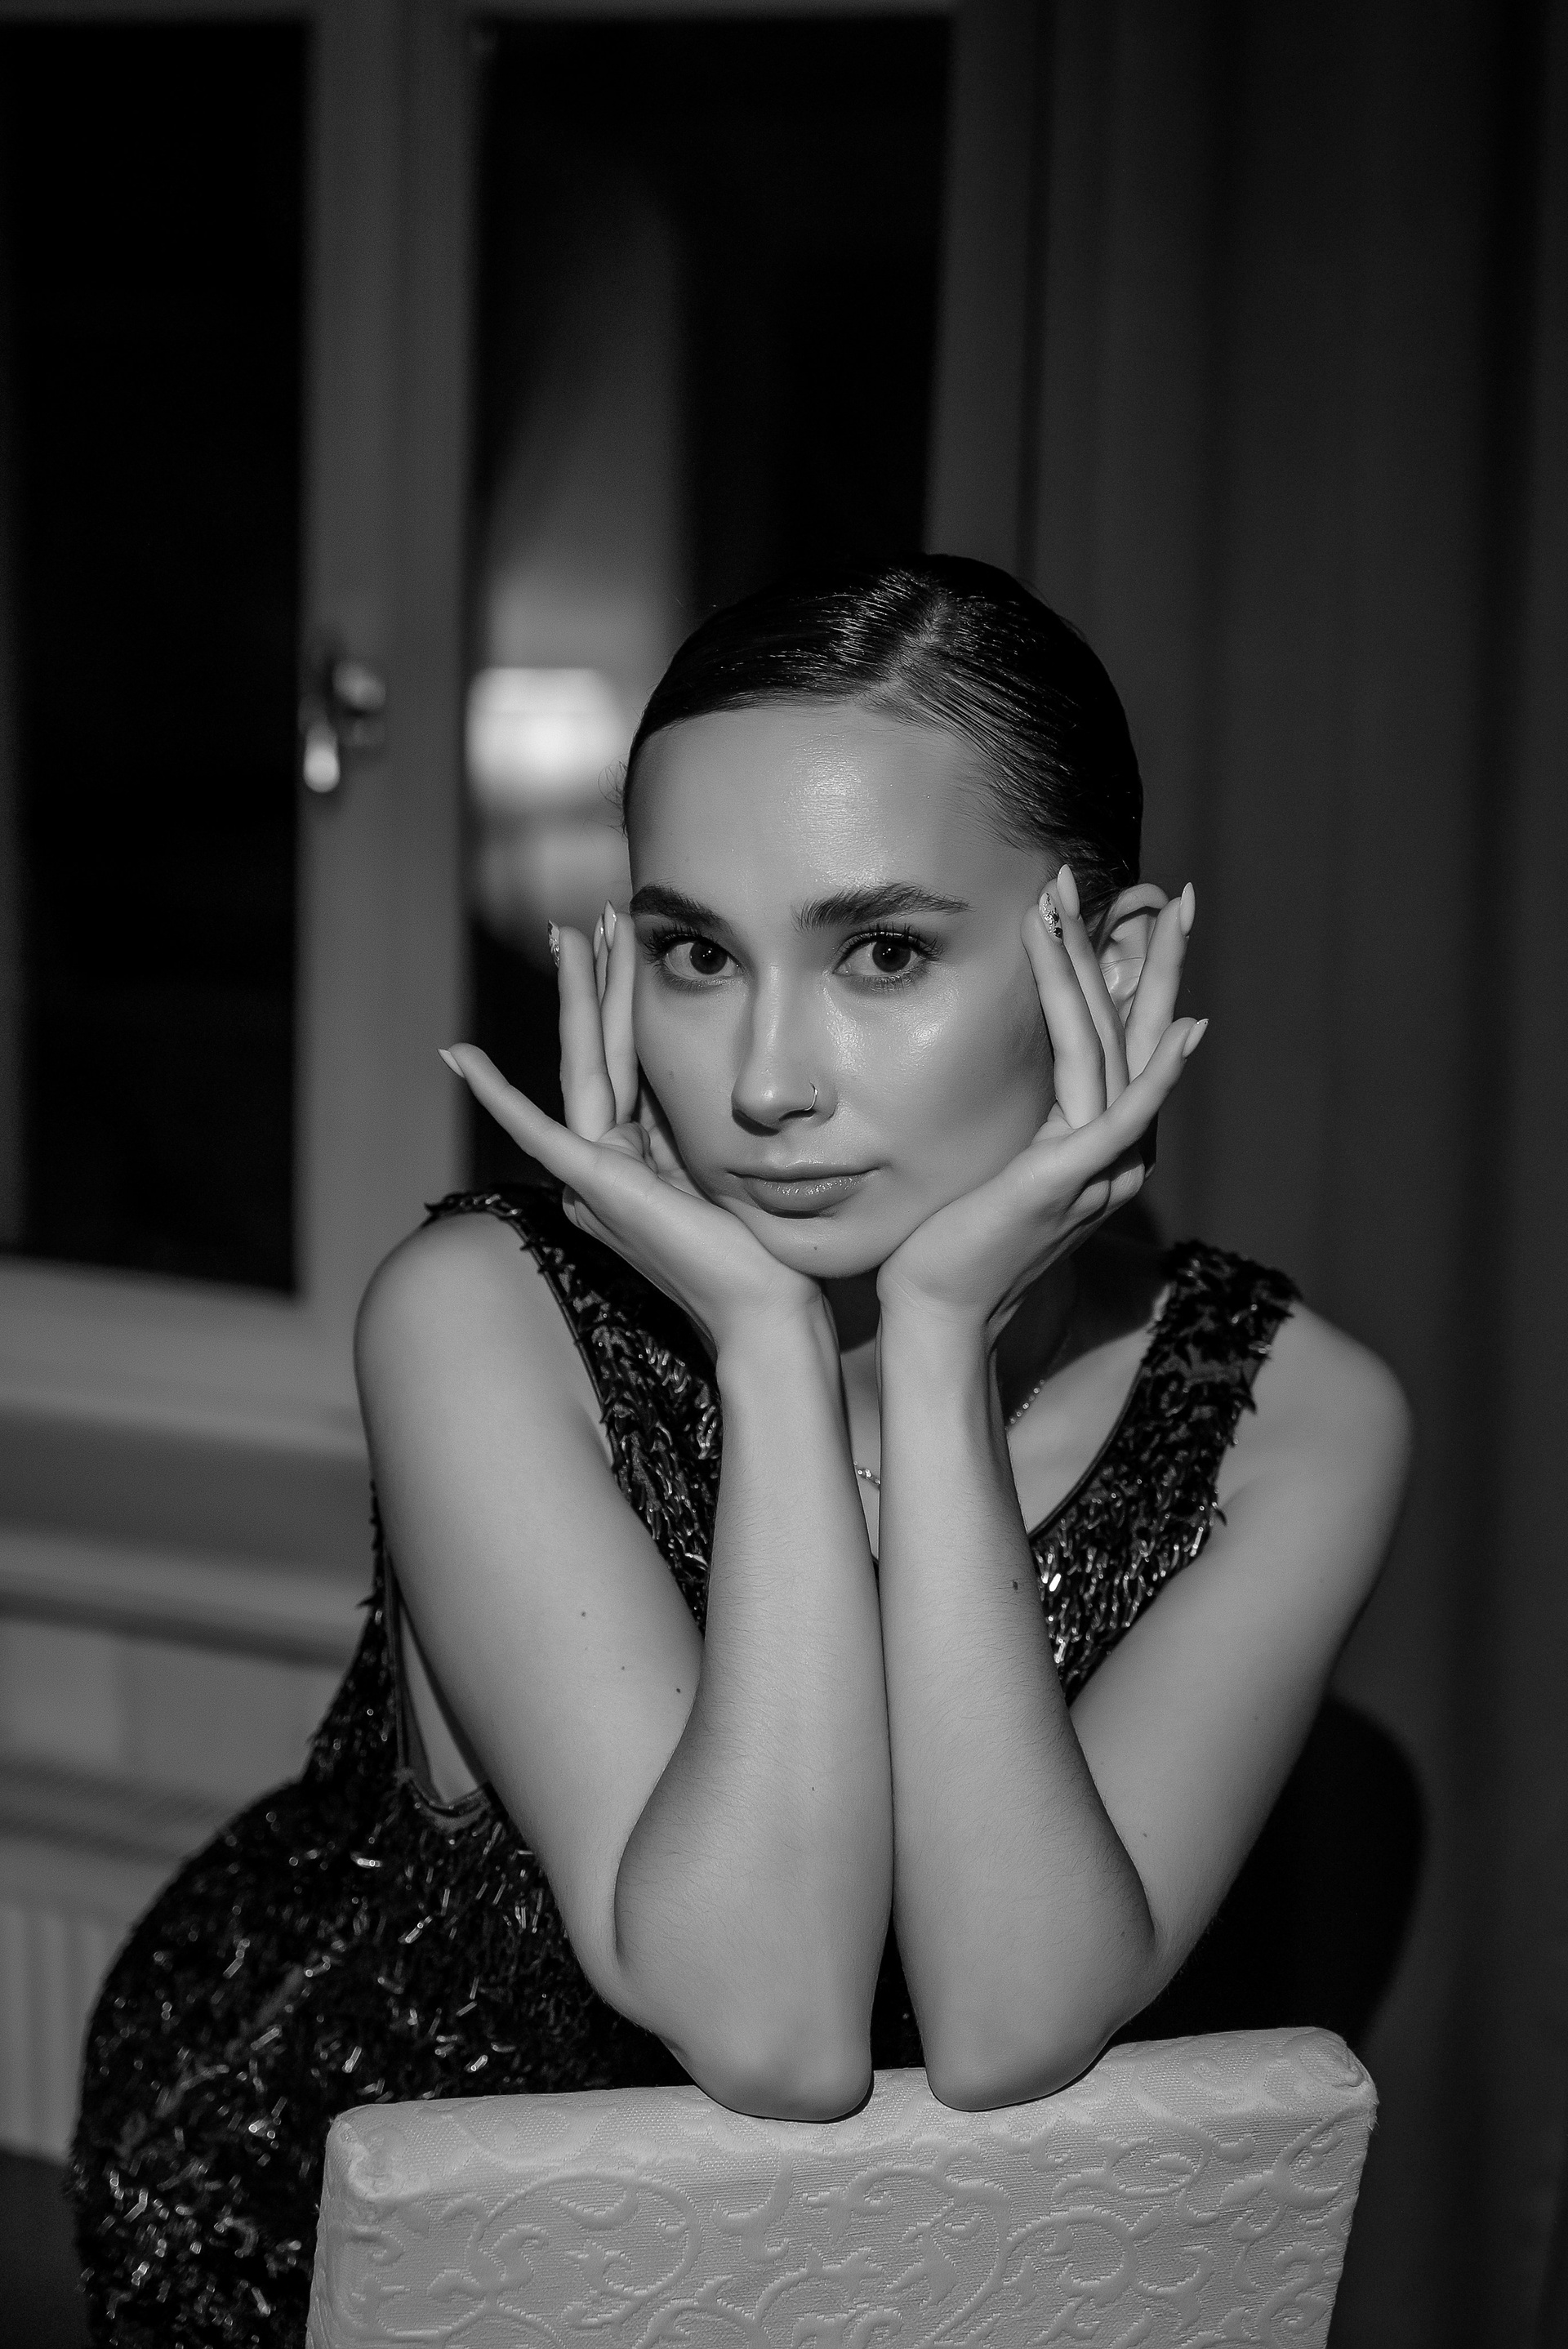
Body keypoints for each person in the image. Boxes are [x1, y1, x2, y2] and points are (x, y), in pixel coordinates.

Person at [69, 556, 1410, 2345]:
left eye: (883, 951)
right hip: (321, 2240)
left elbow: (1012, 2022)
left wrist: (934, 1341)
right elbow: (771, 2026)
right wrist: (772, 1348)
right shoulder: (479, 1315)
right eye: (697, 954)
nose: (766, 1081)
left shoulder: (1297, 1418)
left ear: (1102, 964)